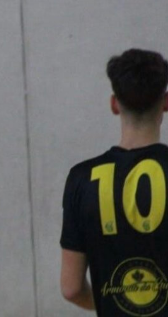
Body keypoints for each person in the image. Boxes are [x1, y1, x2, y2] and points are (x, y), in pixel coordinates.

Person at [60, 48, 168, 316]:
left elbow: (71, 288)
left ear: (114, 104)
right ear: (165, 103)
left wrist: (112, 304)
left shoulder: (82, 179)